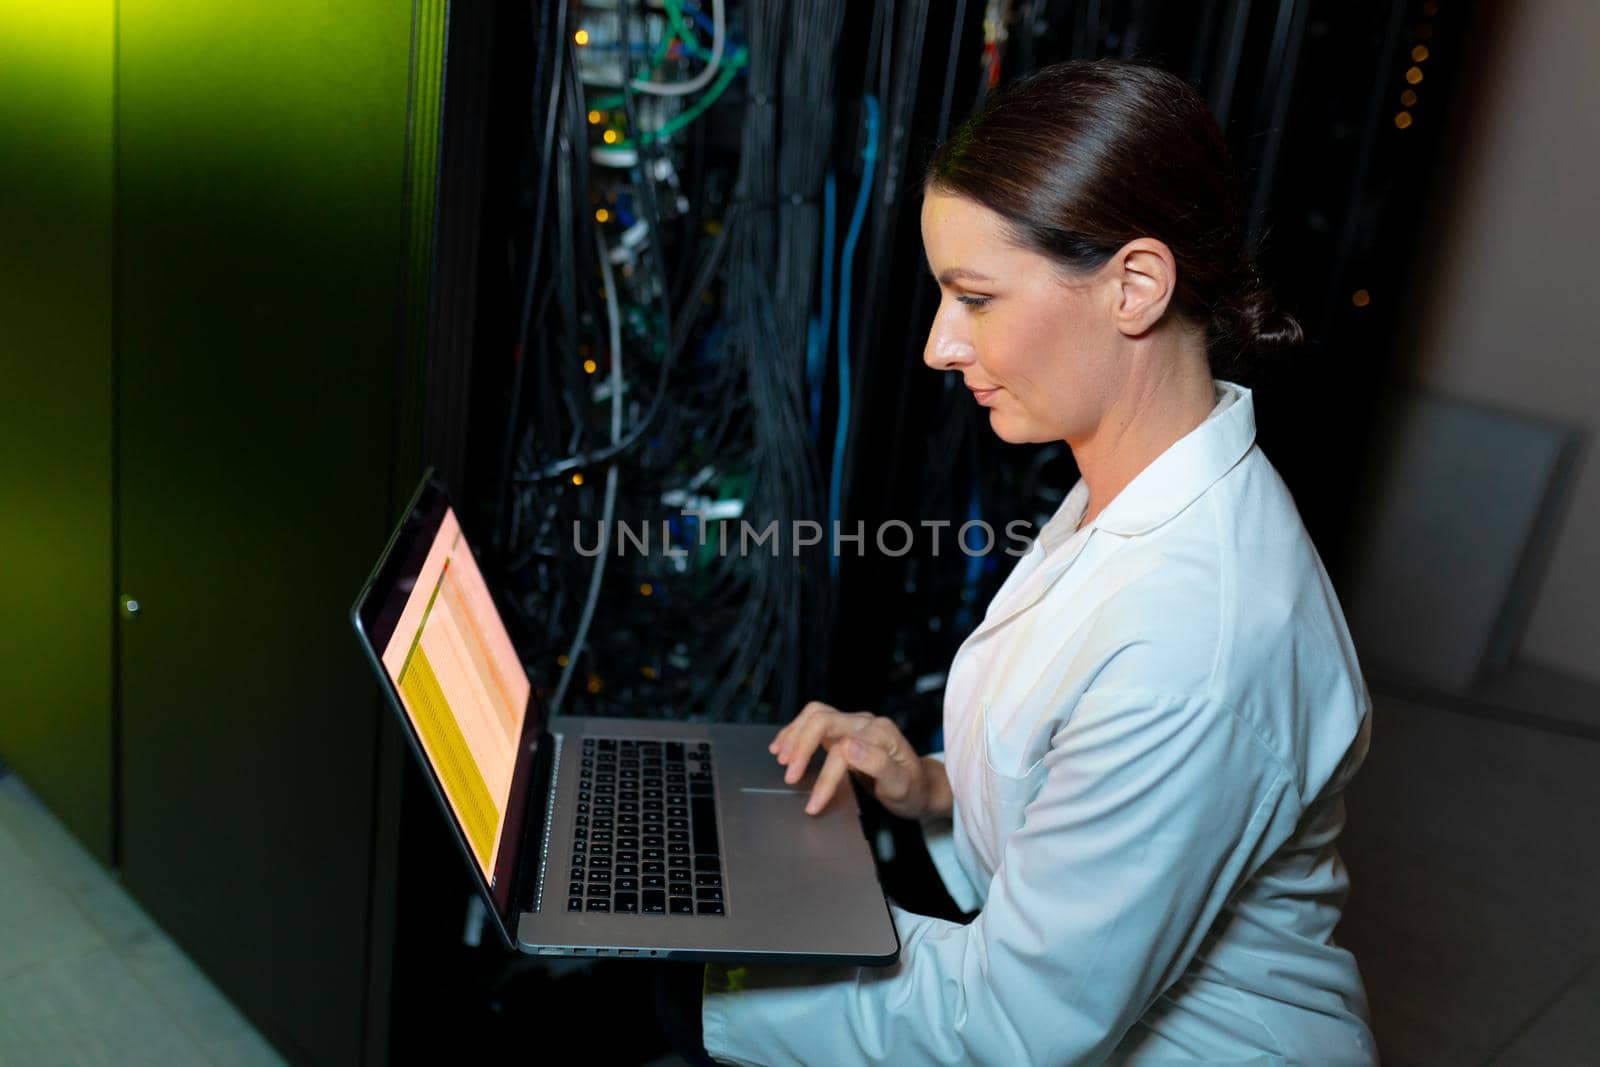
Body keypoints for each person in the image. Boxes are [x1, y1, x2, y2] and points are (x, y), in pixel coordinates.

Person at [691, 58, 1377, 1065]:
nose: (937, 344)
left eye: (974, 297)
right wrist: (926, 786)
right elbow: (1078, 799)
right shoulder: (1131, 484)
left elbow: (1015, 1026)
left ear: (1134, 285)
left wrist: (704, 965)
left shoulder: (1197, 633)